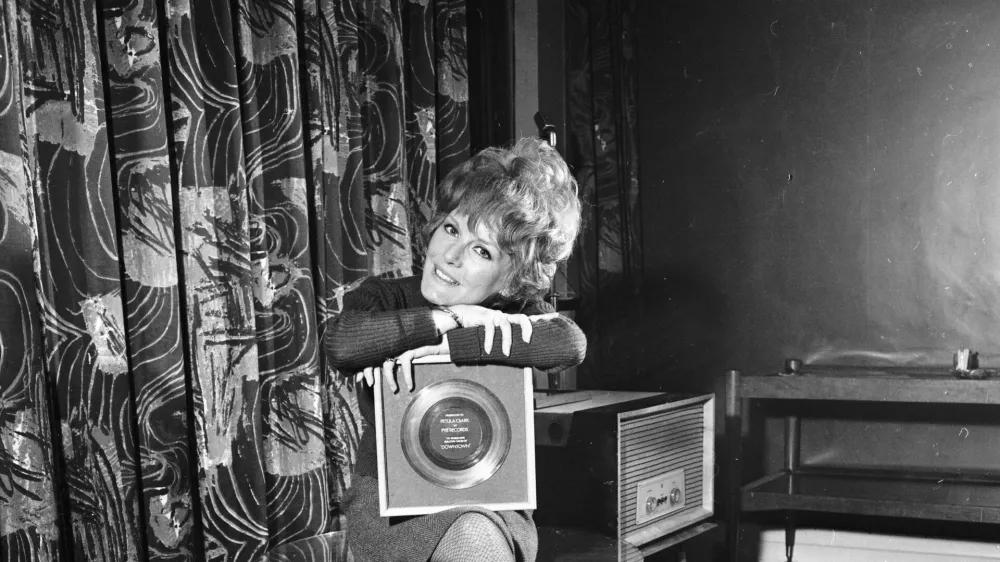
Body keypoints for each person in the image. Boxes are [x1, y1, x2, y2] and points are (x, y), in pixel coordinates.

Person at [324, 137, 586, 562]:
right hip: (392, 510)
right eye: (451, 229)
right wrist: (447, 318)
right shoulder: (385, 298)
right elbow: (342, 344)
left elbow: (568, 342)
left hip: (490, 503)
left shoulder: (512, 310)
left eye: (482, 250)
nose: (451, 256)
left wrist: (447, 344)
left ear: (510, 278)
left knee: (474, 535)